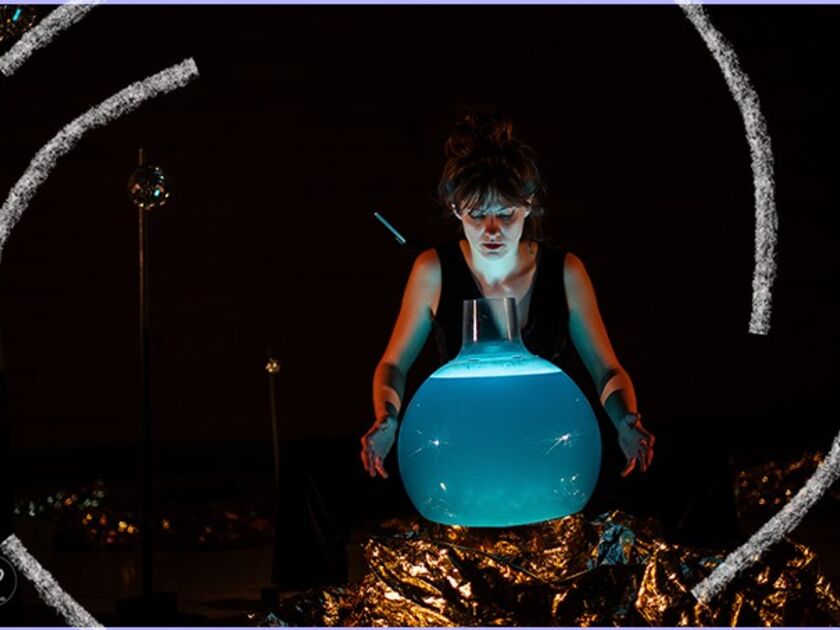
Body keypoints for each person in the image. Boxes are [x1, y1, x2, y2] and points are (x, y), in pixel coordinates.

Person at [360, 111, 654, 488]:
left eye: (505, 214)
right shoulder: (432, 270)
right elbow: (393, 365)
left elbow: (607, 371)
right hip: (462, 452)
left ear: (528, 204)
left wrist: (625, 419)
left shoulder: (566, 271)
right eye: (477, 215)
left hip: (547, 450)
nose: (491, 230)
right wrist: (386, 417)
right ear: (456, 209)